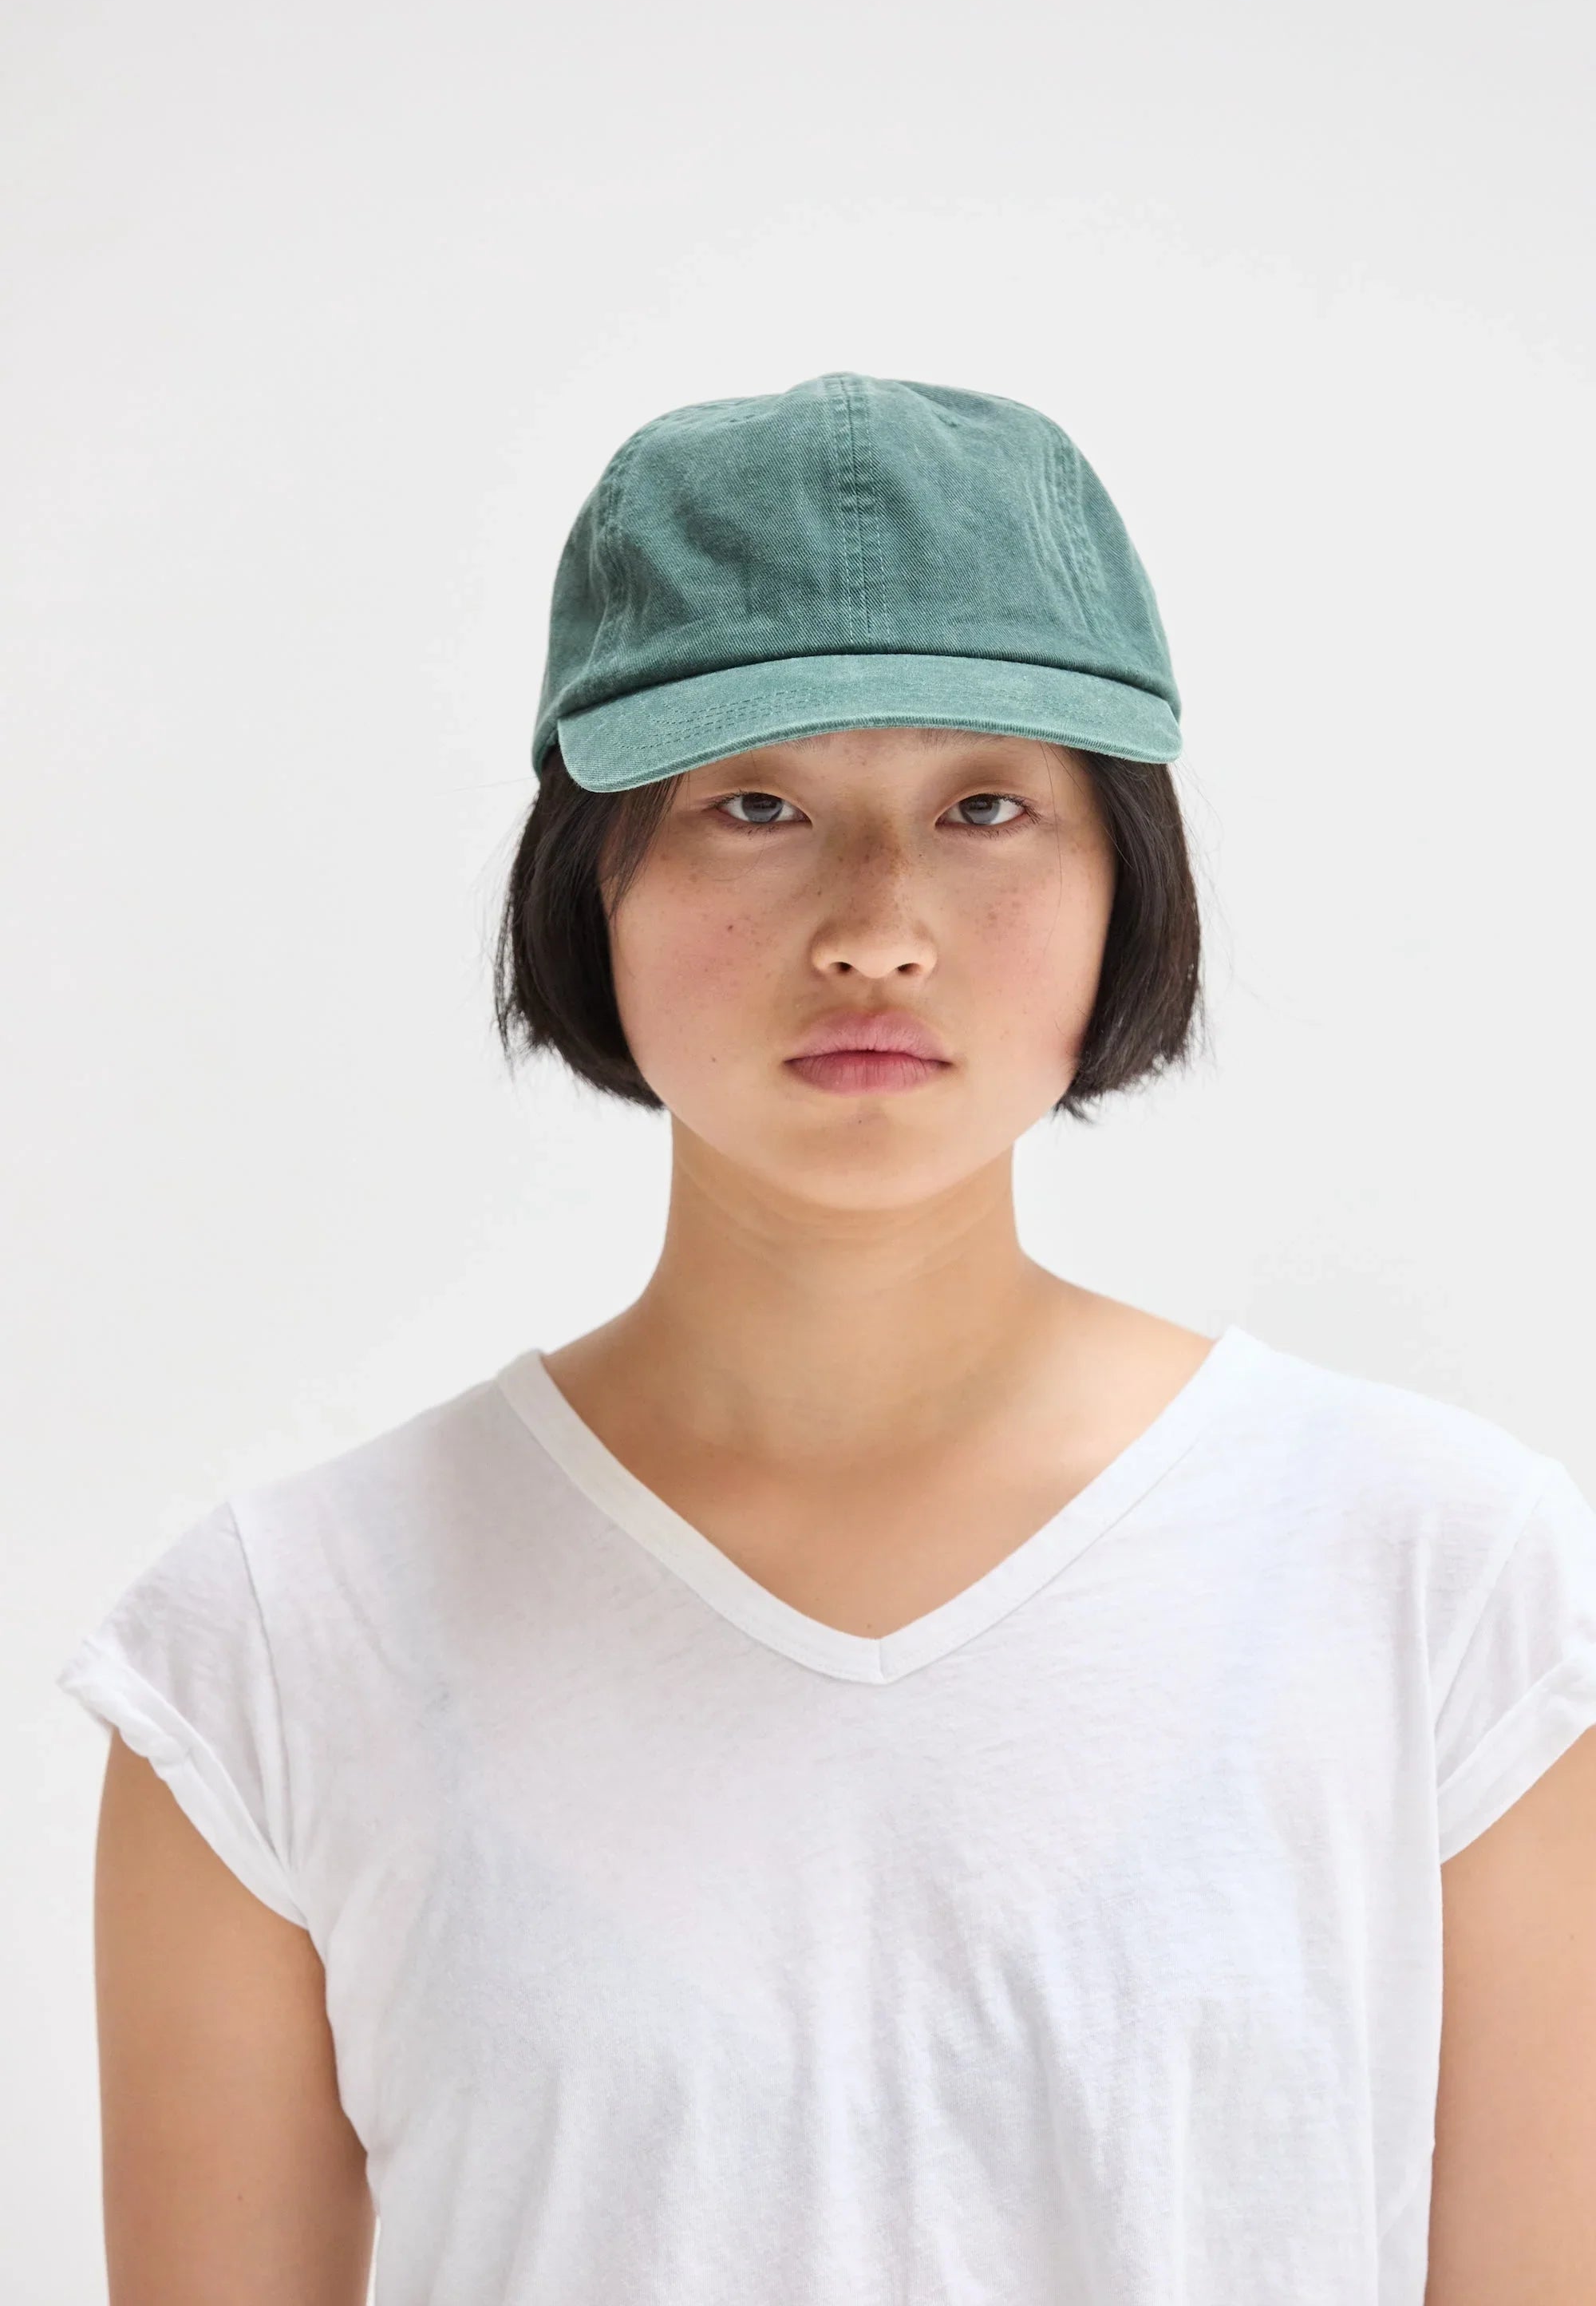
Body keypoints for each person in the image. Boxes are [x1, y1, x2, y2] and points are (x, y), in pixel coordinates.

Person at [59, 374, 1596, 2305]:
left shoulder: (1439, 1584)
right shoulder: (280, 1642)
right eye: (756, 806)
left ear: (1126, 877)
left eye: (985, 809)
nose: (877, 929)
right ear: (592, 876)